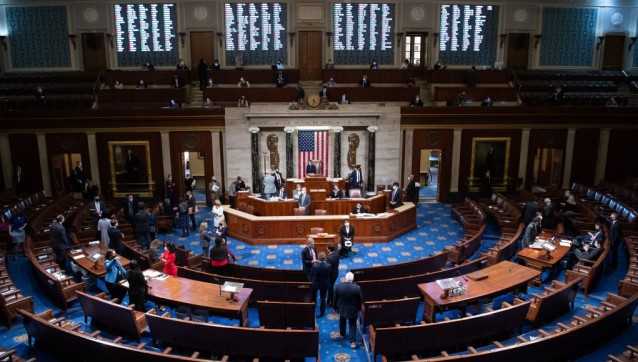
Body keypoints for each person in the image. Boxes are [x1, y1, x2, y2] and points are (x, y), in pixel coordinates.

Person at [334, 272, 362, 349]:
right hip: (353, 309)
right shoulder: (357, 288)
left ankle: (342, 334)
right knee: (352, 325)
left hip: (342, 308)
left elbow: (335, 299)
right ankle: (352, 342)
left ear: (346, 278)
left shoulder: (338, 286)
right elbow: (360, 300)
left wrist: (335, 307)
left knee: (342, 320)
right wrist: (359, 308)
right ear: (352, 279)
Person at [311, 252, 331, 317]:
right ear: (325, 258)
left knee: (314, 296)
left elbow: (313, 275)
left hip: (316, 284)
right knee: (323, 298)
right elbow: (329, 275)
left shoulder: (315, 266)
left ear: (318, 258)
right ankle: (322, 312)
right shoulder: (328, 266)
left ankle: (313, 308)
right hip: (325, 284)